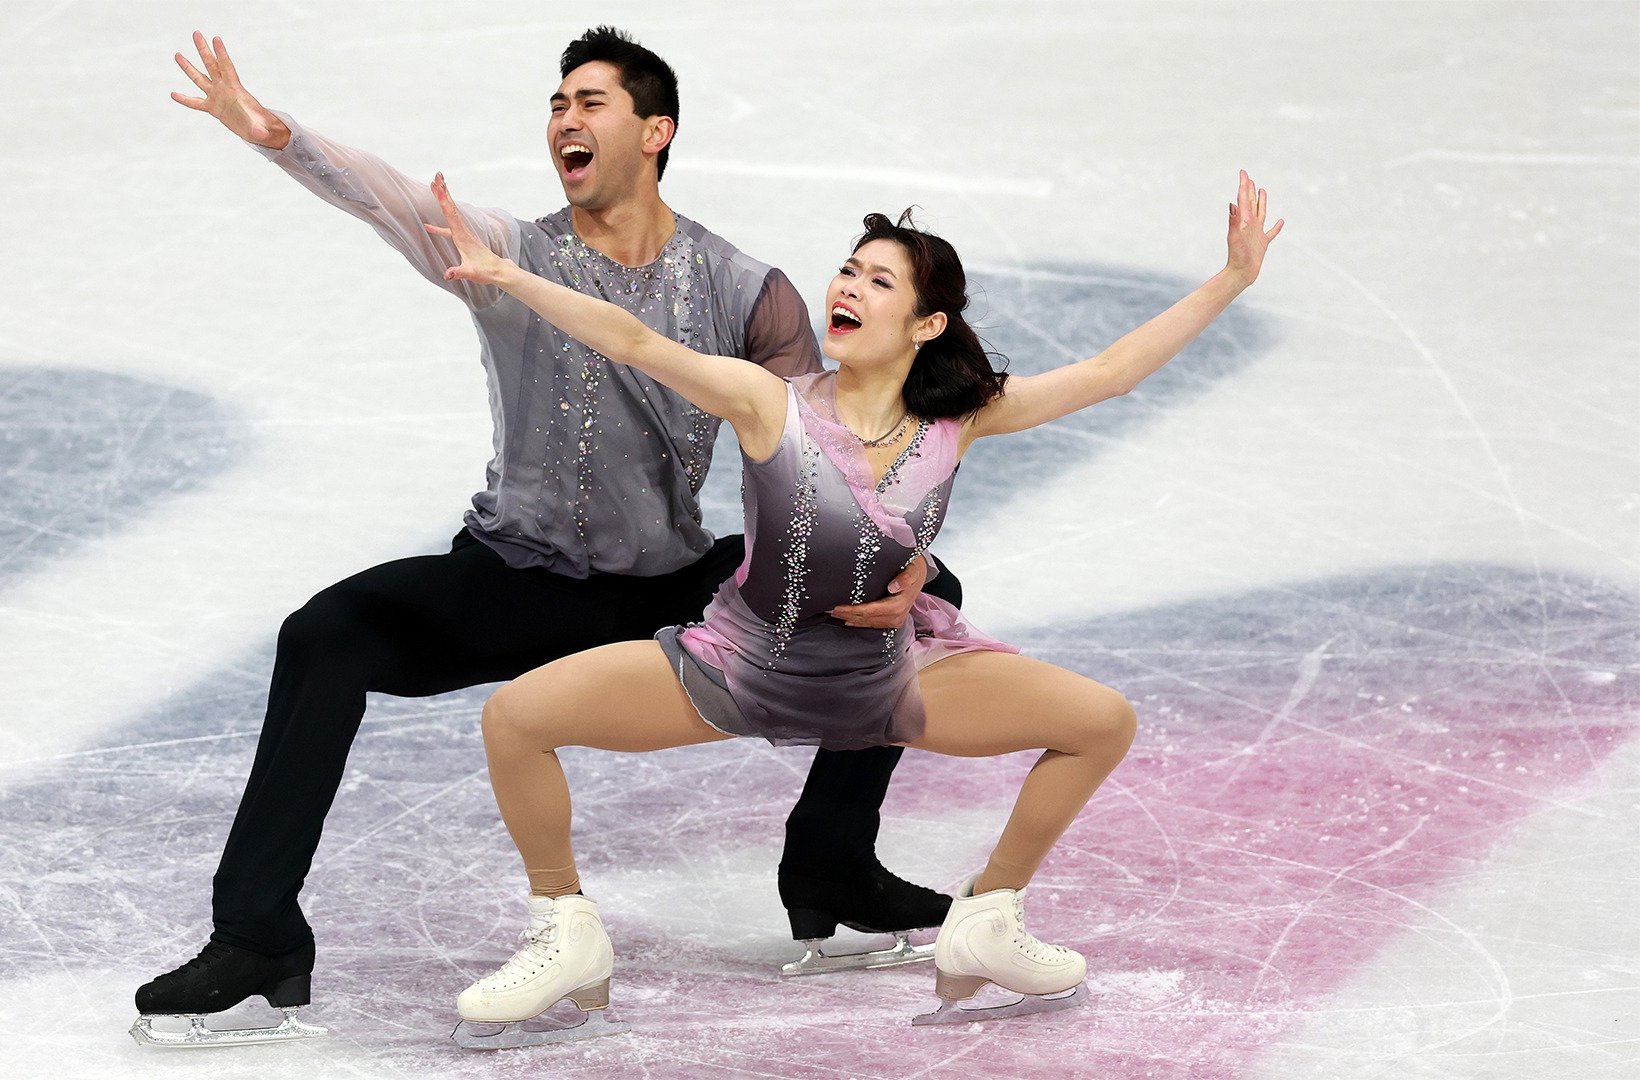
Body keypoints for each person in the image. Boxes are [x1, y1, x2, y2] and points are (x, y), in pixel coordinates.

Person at [131, 27, 964, 1046]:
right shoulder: (511, 255)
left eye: (590, 101)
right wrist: (277, 134)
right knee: (324, 636)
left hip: (668, 587)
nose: (565, 119)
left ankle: (830, 860)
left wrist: (902, 554)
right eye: (557, 103)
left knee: (927, 593)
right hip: (516, 578)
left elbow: (822, 461)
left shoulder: (747, 290)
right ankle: (258, 932)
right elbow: (387, 195)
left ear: (654, 131)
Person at [428, 170, 1282, 1044]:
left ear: (926, 325)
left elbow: (1110, 373)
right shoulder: (771, 404)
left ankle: (988, 916)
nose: (847, 287)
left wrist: (1232, 278)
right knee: (515, 718)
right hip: (739, 666)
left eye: (879, 281)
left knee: (1100, 721)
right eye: (847, 270)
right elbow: (636, 340)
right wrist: (510, 276)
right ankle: (565, 931)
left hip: (885, 679)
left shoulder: (962, 418)